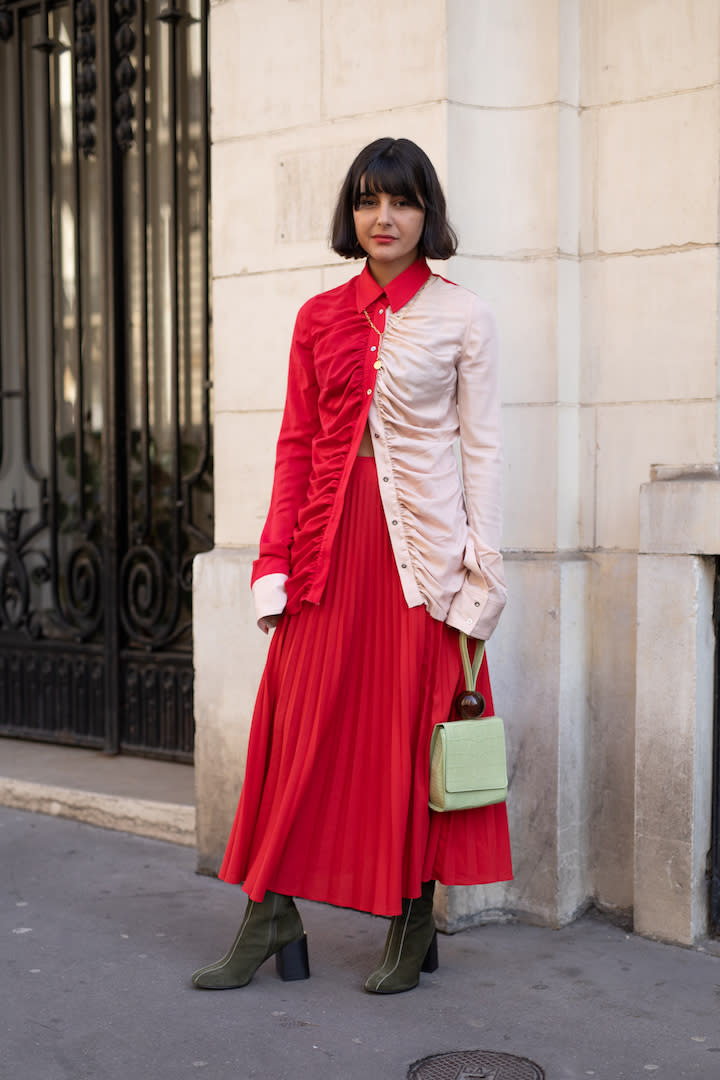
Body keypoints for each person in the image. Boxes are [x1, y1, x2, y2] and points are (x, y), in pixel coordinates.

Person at [191, 137, 512, 995]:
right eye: (369, 201)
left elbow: (482, 455)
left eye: (401, 202)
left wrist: (483, 579)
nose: (384, 218)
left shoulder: (463, 317)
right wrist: (274, 564)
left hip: (420, 566)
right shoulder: (318, 319)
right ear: (353, 212)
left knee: (407, 742)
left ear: (425, 214)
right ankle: (270, 913)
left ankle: (414, 913)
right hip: (327, 556)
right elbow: (295, 446)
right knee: (299, 735)